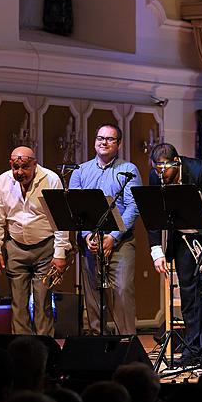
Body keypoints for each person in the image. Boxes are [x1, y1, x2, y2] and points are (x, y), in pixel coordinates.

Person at [146, 143, 202, 364]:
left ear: (177, 162)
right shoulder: (156, 176)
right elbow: (153, 213)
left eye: (165, 169)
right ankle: (191, 350)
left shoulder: (200, 170)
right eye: (157, 169)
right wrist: (156, 251)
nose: (161, 175)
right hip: (183, 238)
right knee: (189, 295)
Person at [0, 146, 71, 336]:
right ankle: (21, 351)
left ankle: (44, 350)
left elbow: (60, 220)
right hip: (15, 247)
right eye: (15, 167)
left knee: (42, 303)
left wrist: (60, 254)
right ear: (11, 164)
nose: (19, 172)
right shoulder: (3, 181)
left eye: (24, 167)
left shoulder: (50, 179)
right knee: (18, 304)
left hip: (45, 248)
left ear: (35, 163)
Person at [69, 124, 141, 335]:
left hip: (121, 241)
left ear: (118, 144)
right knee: (92, 296)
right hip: (90, 241)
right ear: (94, 142)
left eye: (110, 139)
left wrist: (112, 237)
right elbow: (75, 207)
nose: (104, 142)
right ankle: (96, 343)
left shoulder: (129, 170)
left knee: (121, 291)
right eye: (100, 138)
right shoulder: (80, 171)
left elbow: (132, 207)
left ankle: (126, 344)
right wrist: (87, 235)